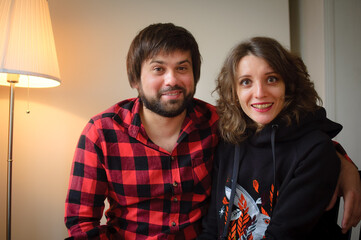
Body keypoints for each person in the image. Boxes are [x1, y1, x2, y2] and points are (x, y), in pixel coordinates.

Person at [64, 23, 361, 239]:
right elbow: (81, 223)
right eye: (158, 69)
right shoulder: (101, 132)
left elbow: (288, 139)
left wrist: (342, 163)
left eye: (182, 68)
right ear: (135, 79)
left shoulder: (218, 123)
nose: (172, 80)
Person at [198, 37, 358, 240]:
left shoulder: (315, 150)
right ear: (234, 92)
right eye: (246, 82)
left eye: (271, 79)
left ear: (289, 85)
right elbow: (212, 229)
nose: (260, 93)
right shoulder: (229, 141)